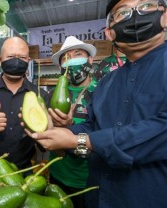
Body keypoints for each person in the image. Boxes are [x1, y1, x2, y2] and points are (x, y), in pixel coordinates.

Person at [23, 0, 167, 207]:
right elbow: (92, 126)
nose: (135, 16)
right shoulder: (108, 81)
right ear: (110, 33)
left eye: (146, 6)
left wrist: (79, 141)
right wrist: (56, 129)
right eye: (123, 12)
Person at [0, 37, 48, 170]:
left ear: (28, 61)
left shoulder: (40, 96)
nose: (16, 61)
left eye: (22, 57)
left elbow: (45, 145)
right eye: (11, 56)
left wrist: (43, 131)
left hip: (23, 171)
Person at [48, 35, 97, 208]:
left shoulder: (102, 92)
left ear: (90, 60)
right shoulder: (51, 95)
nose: (72, 61)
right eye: (66, 59)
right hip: (58, 174)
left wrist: (69, 131)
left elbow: (104, 137)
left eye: (77, 54)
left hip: (89, 179)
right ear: (61, 67)